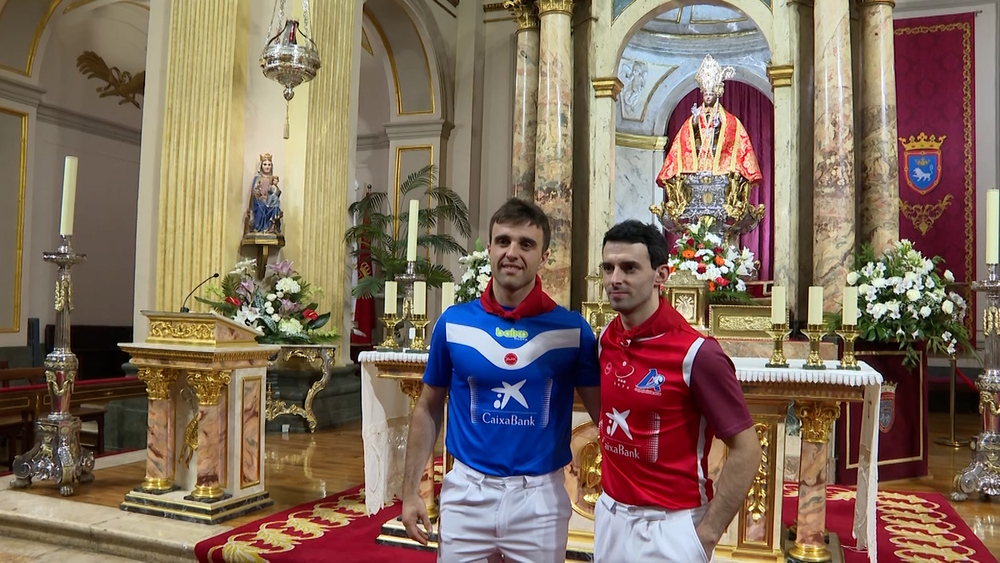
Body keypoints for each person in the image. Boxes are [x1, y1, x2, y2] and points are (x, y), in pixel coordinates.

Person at [401, 198, 601, 563]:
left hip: (539, 499)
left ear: (544, 256)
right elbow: (428, 407)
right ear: (489, 248)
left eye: (526, 244)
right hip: (466, 493)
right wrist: (410, 491)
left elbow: (606, 418)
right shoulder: (455, 323)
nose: (512, 252)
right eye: (504, 241)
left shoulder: (572, 330)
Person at [595, 219, 760, 562]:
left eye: (629, 268)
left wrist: (707, 534)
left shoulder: (698, 354)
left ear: (661, 275)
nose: (615, 279)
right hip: (611, 517)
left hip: (669, 527)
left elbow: (747, 451)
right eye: (608, 268)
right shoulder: (605, 341)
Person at [656, 54, 762, 189]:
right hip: (699, 161)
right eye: (705, 94)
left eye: (711, 94)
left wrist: (719, 127)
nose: (708, 97)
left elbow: (731, 135)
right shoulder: (695, 116)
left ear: (716, 94)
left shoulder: (728, 120)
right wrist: (694, 122)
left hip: (717, 163)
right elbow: (688, 138)